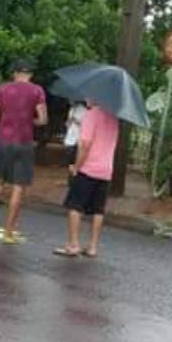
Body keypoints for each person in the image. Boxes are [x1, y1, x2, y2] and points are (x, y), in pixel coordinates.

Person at [0, 59, 48, 243]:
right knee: (18, 186)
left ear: (15, 73)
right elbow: (43, 119)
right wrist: (31, 120)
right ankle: (8, 233)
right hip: (24, 143)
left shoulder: (3, 89)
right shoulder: (37, 91)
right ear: (30, 75)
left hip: (4, 140)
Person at [56, 99, 118, 259]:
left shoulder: (91, 116)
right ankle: (92, 246)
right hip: (106, 170)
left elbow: (85, 145)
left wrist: (76, 166)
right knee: (98, 209)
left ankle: (73, 244)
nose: (86, 99)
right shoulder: (113, 117)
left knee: (75, 206)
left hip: (88, 168)